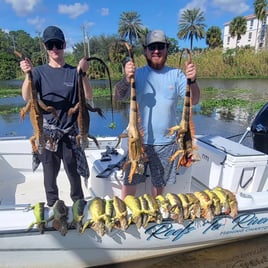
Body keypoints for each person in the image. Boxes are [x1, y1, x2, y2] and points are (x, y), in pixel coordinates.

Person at [114, 30, 200, 199]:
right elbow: (118, 96)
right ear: (145, 50)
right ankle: (125, 213)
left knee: (158, 185)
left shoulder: (176, 75)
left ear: (167, 49)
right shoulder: (138, 75)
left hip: (167, 144)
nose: (156, 51)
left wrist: (193, 80)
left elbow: (194, 100)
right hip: (138, 142)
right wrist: (126, 78)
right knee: (129, 182)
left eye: (160, 47)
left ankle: (154, 216)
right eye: (152, 47)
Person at [20, 25, 93, 207]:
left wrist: (82, 74)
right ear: (45, 47)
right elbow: (27, 96)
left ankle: (79, 205)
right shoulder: (39, 72)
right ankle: (53, 206)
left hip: (69, 132)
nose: (55, 49)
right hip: (48, 133)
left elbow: (89, 96)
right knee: (49, 174)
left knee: (73, 172)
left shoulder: (72, 72)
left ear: (64, 45)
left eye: (58, 44)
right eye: (50, 45)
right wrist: (27, 74)